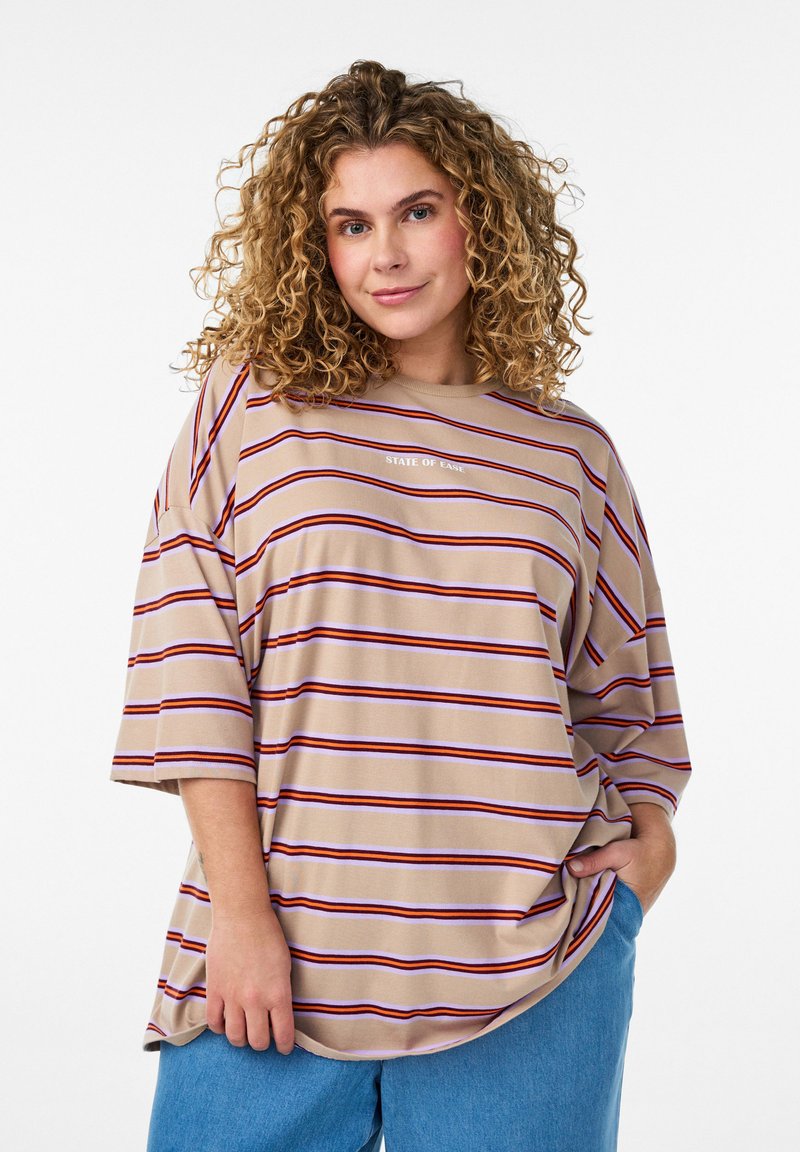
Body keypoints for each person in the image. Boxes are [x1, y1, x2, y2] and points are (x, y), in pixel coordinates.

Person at [110, 58, 692, 1152]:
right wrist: (241, 915)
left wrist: (646, 850)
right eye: (351, 224)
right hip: (269, 968)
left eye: (417, 211)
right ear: (315, 247)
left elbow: (628, 701)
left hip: (537, 975)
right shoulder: (252, 406)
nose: (385, 253)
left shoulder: (570, 454)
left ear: (482, 221)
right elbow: (192, 671)